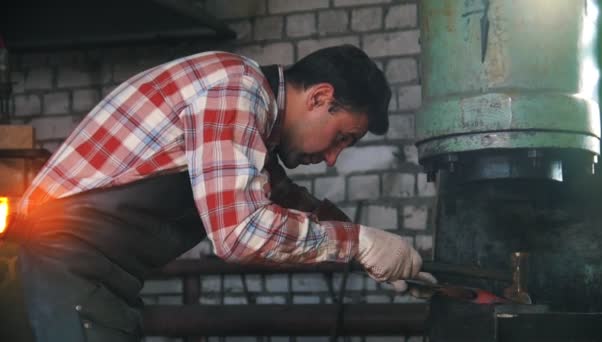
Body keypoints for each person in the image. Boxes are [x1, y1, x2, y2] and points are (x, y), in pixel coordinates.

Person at [1, 44, 433, 341]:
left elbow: (280, 198)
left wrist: (380, 258)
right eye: (342, 137)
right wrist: (357, 244)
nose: (334, 157)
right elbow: (241, 230)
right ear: (320, 98)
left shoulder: (249, 120)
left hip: (83, 275)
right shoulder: (236, 90)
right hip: (61, 268)